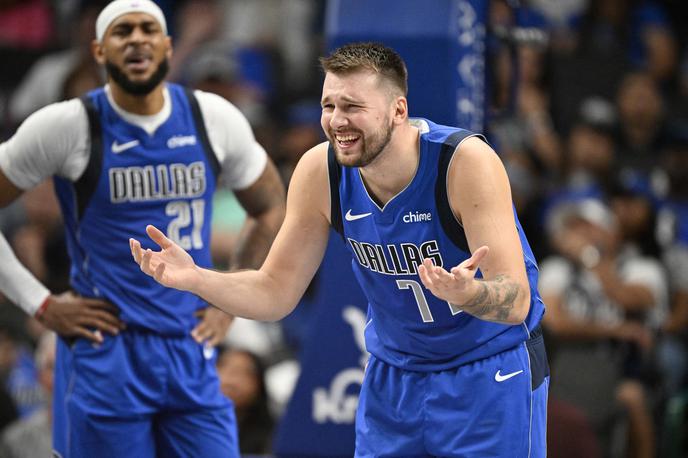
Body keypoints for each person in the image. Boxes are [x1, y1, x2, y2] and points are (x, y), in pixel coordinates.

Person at [131, 42, 548, 457]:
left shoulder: (463, 162)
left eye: (352, 107)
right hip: (396, 374)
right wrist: (196, 278)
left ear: (398, 111)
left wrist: (469, 293)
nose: (336, 121)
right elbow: (275, 291)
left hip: (488, 369)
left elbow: (516, 301)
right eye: (328, 106)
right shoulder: (319, 170)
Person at [0, 0, 286, 456]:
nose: (137, 38)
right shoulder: (69, 124)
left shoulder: (211, 116)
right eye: (122, 30)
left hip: (189, 345)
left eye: (148, 28)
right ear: (98, 50)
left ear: (168, 46)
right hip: (108, 349)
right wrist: (41, 305)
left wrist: (231, 294)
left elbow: (271, 205)